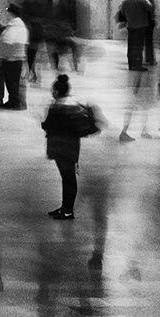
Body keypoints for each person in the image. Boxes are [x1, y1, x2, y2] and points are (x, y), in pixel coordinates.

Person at [36, 73, 98, 219]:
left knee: (68, 179)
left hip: (60, 149)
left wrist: (41, 121)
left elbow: (48, 126)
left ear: (56, 91)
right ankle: (65, 207)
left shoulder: (56, 108)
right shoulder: (75, 107)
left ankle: (68, 210)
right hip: (72, 149)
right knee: (68, 178)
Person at [117, 0, 158, 74]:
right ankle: (138, 65)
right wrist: (146, 0)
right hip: (141, 26)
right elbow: (150, 8)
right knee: (138, 47)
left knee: (131, 46)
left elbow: (122, 13)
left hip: (130, 26)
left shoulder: (126, 1)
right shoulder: (141, 0)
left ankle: (131, 65)